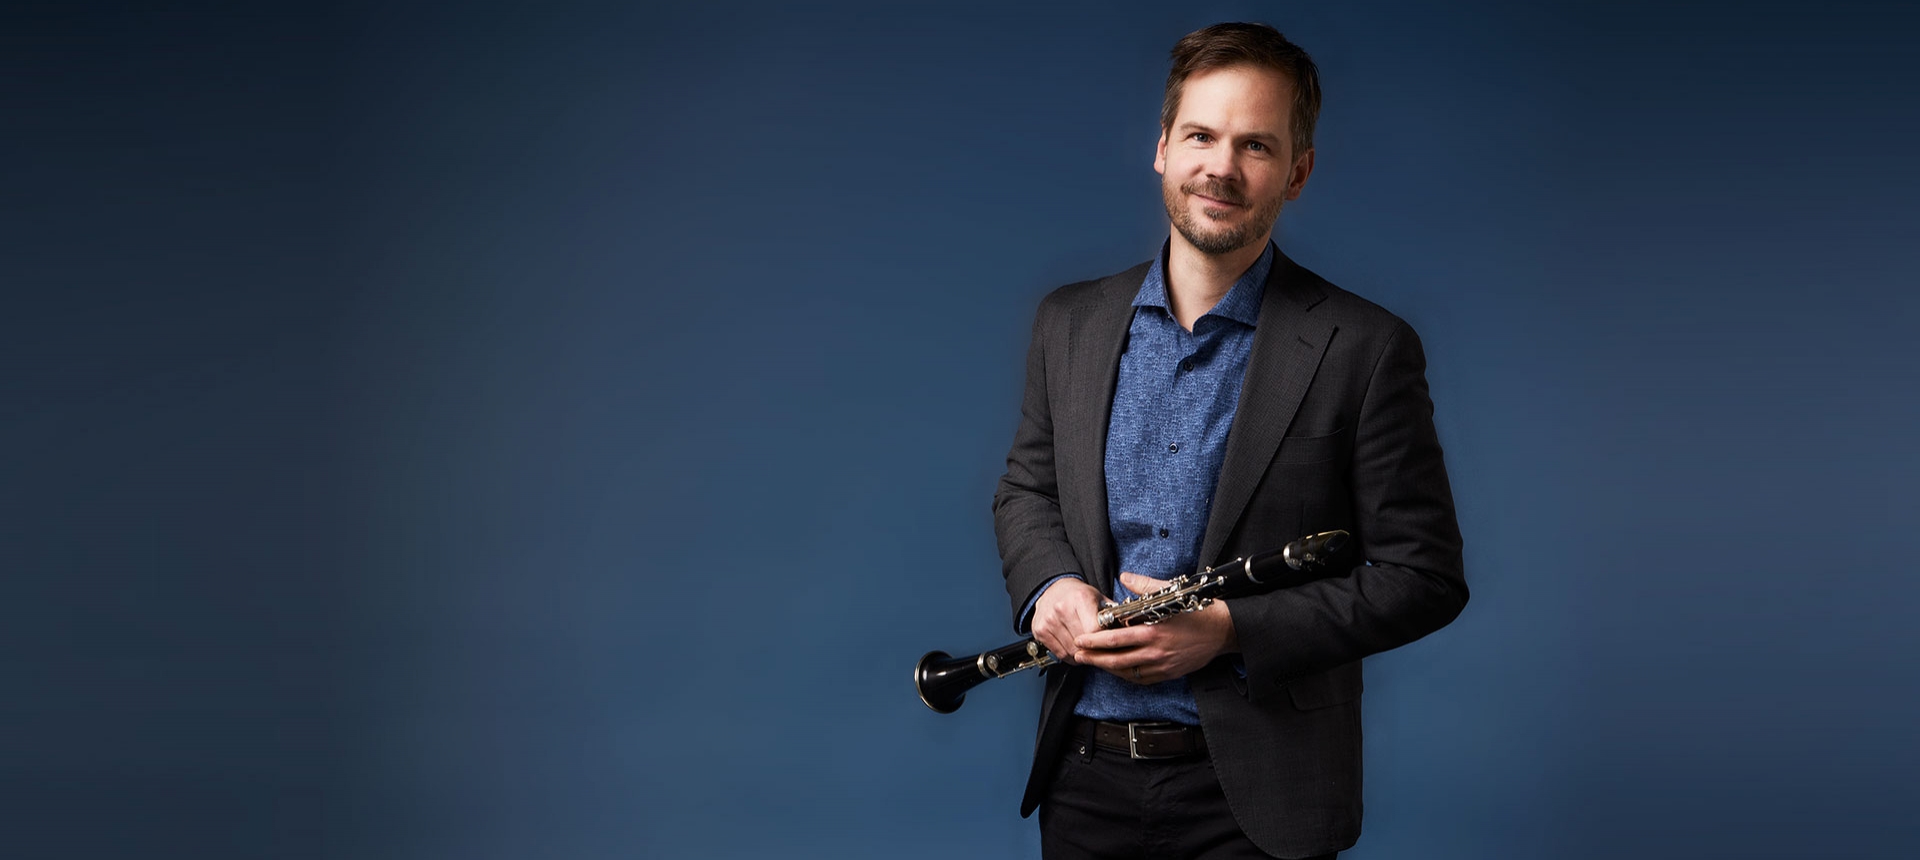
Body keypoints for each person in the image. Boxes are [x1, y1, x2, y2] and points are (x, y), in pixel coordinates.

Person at [992, 22, 1469, 859]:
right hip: (1083, 778)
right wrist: (1051, 587)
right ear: (1162, 148)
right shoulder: (1068, 322)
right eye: (1201, 136)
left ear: (1298, 172)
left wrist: (1230, 630)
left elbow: (1423, 577)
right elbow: (1027, 491)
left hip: (1260, 798)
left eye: (1256, 145)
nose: (1221, 166)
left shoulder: (1364, 348)